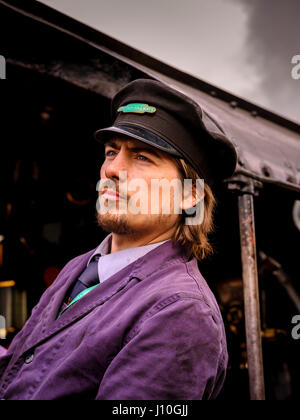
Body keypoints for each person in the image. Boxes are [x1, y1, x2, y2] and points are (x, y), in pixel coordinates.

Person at [0, 78, 237, 400]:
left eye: (141, 157)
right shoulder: (80, 266)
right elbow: (20, 368)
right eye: (111, 152)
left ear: (188, 195)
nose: (112, 169)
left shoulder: (181, 313)